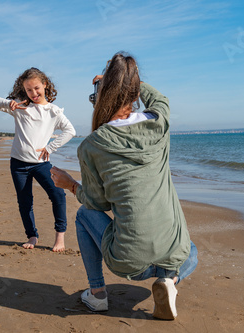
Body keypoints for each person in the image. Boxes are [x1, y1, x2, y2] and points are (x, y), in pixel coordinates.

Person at [50, 52, 198, 320]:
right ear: (134, 91)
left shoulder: (91, 145)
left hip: (127, 260)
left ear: (101, 93)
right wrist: (125, 81)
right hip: (171, 251)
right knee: (190, 249)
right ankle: (170, 280)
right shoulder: (158, 124)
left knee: (84, 215)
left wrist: (71, 185)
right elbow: (160, 100)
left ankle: (97, 295)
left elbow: (97, 203)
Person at [0, 67, 76, 252]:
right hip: (18, 164)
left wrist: (51, 147)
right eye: (29, 90)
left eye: (37, 88)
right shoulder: (21, 107)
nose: (34, 93)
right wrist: (9, 103)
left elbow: (70, 131)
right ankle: (32, 235)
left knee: (58, 195)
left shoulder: (53, 111)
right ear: (24, 90)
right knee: (25, 201)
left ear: (45, 85)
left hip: (41, 164)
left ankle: (59, 237)